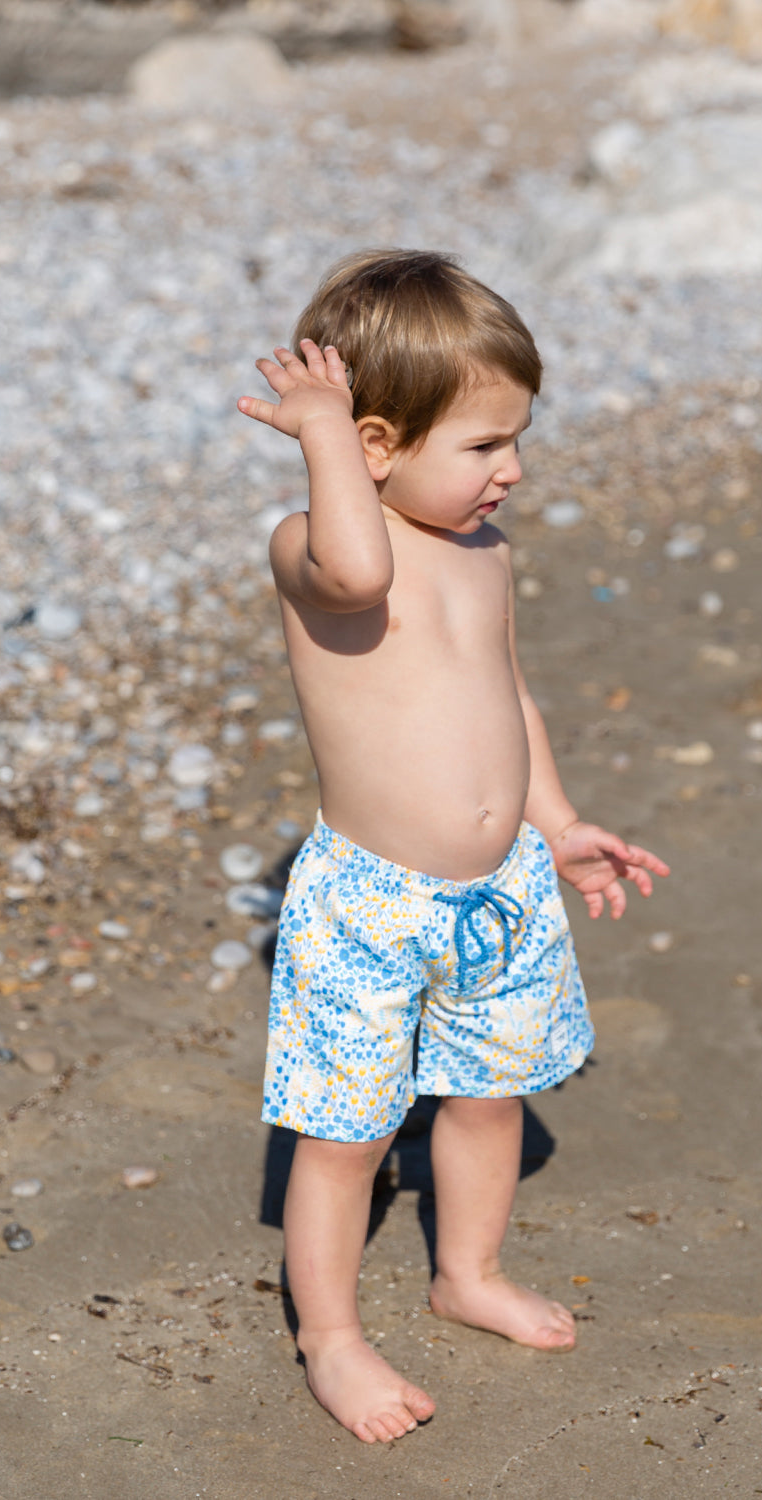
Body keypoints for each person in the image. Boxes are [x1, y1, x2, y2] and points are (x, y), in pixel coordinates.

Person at [237, 249, 669, 1445]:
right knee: (347, 1134)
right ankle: (330, 1336)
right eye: (483, 447)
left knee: (490, 1100)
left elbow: (509, 699)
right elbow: (358, 562)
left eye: (517, 438)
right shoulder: (314, 552)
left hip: (505, 894)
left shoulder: (487, 557)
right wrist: (322, 440)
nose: (512, 472)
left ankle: (464, 1272)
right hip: (369, 906)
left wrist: (562, 821)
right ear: (375, 445)